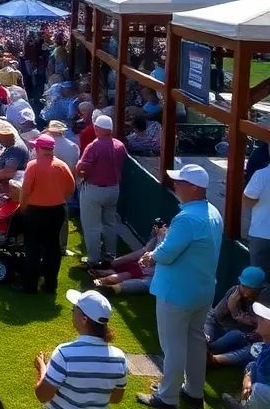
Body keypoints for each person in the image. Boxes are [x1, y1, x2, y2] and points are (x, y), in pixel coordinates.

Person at [136, 163, 223, 407]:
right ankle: (194, 391)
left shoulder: (186, 218)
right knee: (195, 341)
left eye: (181, 182)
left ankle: (167, 397)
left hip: (176, 293)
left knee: (172, 346)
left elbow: (167, 253)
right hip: (202, 291)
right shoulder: (213, 212)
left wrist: (150, 255)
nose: (175, 185)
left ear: (194, 188)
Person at [33, 289, 127, 407]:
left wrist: (42, 368)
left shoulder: (64, 354)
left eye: (74, 310)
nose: (72, 313)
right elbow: (116, 398)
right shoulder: (119, 358)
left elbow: (42, 396)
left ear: (84, 320)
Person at [18, 135, 76, 294]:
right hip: (57, 211)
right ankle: (50, 284)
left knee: (33, 249)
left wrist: (23, 209)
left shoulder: (33, 166)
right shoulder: (61, 165)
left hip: (36, 212)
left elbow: (25, 191)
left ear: (38, 149)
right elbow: (71, 187)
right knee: (52, 248)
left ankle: (30, 286)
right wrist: (58, 197)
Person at [78, 115, 125, 267]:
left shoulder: (94, 146)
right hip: (113, 189)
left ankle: (93, 259)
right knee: (110, 224)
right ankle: (111, 256)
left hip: (95, 190)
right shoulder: (119, 145)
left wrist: (82, 171)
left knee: (92, 226)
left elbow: (81, 168)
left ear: (97, 129)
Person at [207, 267, 268, 368]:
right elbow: (216, 315)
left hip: (250, 337)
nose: (245, 291)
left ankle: (213, 359)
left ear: (259, 288)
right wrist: (230, 307)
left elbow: (262, 326)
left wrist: (239, 315)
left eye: (250, 288)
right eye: (244, 286)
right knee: (209, 315)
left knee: (252, 348)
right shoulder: (235, 292)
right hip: (228, 329)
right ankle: (206, 346)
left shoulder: (265, 298)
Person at [219, 302, 270, 408]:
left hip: (265, 391)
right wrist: (248, 378)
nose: (258, 320)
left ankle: (245, 405)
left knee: (261, 389)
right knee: (251, 366)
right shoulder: (266, 344)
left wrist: (250, 384)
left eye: (263, 319)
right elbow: (256, 366)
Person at [245, 161, 270, 276]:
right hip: (261, 235)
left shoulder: (261, 174)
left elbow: (248, 199)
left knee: (257, 281)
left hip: (261, 235)